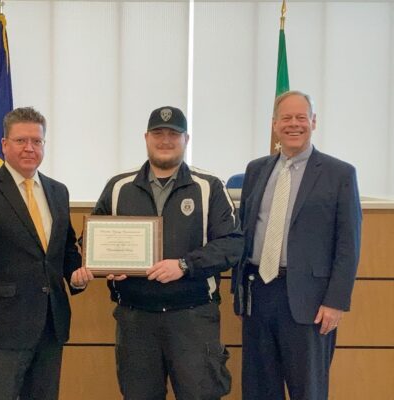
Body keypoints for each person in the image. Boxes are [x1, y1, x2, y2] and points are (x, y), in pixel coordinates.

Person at [91, 106, 242, 399]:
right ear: (146, 138)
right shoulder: (119, 186)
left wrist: (185, 265)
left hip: (193, 318)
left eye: (173, 134)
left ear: (186, 139)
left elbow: (232, 244)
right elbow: (94, 241)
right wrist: (105, 265)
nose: (165, 140)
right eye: (158, 134)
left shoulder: (209, 186)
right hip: (136, 321)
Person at [0, 107, 91, 400]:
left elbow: (63, 250)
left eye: (37, 141)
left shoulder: (58, 191)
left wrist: (76, 276)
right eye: (21, 140)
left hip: (51, 325)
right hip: (0, 328)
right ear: (4, 145)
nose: (30, 148)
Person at [233, 90, 362, 400]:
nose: (294, 124)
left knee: (309, 391)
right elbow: (244, 230)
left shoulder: (339, 173)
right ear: (275, 125)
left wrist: (336, 301)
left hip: (309, 301)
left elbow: (349, 243)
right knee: (259, 389)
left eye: (301, 118)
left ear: (313, 122)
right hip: (258, 294)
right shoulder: (256, 170)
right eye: (286, 118)